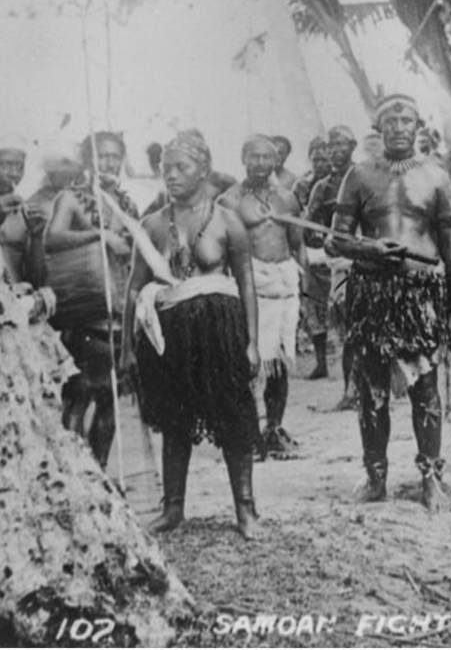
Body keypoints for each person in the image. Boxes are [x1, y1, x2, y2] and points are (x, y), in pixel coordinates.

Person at [329, 95, 451, 510]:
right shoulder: (358, 176)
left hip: (419, 294)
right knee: (371, 391)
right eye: (390, 120)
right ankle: (376, 477)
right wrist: (369, 249)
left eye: (406, 119)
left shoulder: (437, 177)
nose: (398, 127)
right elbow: (335, 239)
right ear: (378, 127)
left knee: (425, 388)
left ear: (418, 126)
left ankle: (431, 478)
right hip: (372, 295)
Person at [130, 131, 260, 538]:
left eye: (181, 167)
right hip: (169, 336)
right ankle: (172, 509)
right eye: (165, 168)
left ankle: (245, 510)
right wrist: (128, 348)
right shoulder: (151, 224)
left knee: (234, 420)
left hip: (220, 332)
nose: (171, 175)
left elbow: (247, 283)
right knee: (174, 421)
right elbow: (134, 288)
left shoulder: (226, 220)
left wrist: (253, 343)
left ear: (203, 170)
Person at [44, 132, 138, 467]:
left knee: (110, 400)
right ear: (88, 159)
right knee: (79, 396)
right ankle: (76, 474)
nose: (109, 163)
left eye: (115, 156)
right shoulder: (71, 198)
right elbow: (52, 240)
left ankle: (101, 472)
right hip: (85, 315)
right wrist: (99, 235)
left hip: (117, 313)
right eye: (103, 156)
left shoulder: (127, 204)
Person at [219, 135, 304, 459]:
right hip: (250, 284)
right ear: (243, 158)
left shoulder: (287, 198)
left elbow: (297, 245)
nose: (260, 163)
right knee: (249, 361)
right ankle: (249, 433)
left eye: (266, 157)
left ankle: (274, 429)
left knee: (280, 361)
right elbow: (225, 250)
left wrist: (304, 287)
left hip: (285, 281)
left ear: (276, 160)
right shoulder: (230, 200)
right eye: (253, 157)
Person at [303, 126, 358, 401]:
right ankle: (350, 391)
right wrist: (318, 234)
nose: (334, 151)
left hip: (369, 261)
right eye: (330, 146)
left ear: (353, 146)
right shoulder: (322, 188)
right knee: (346, 329)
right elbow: (308, 228)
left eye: (340, 145)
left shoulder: (366, 177)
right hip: (340, 263)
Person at [293, 137, 333, 378]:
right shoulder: (302, 185)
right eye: (316, 158)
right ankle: (321, 363)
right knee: (314, 306)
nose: (321, 163)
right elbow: (297, 216)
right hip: (312, 250)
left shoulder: (343, 181)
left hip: (339, 250)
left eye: (325, 157)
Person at [0, 148, 29, 282]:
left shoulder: (24, 210)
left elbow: (35, 277)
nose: (14, 173)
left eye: (20, 167)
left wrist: (37, 238)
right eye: (6, 165)